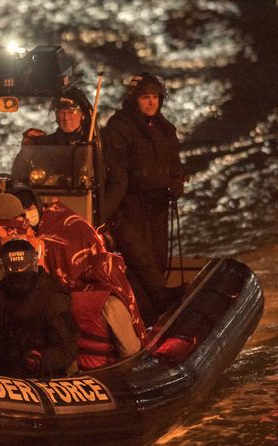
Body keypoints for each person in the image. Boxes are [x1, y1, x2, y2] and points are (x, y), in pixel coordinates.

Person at [101, 72, 187, 323]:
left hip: (158, 204)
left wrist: (177, 180)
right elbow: (117, 176)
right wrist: (107, 214)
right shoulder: (119, 128)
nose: (151, 103)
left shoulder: (163, 128)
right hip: (130, 205)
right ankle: (154, 306)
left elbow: (174, 162)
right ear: (134, 100)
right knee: (140, 259)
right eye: (145, 98)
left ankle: (156, 310)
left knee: (158, 256)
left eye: (155, 98)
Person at [0, 239, 80, 378]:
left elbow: (68, 347)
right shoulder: (2, 291)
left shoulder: (53, 295)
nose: (19, 273)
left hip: (42, 379)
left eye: (22, 267)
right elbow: (2, 330)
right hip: (7, 375)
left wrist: (41, 360)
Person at [9, 185, 105, 290]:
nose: (27, 214)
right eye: (23, 211)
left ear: (38, 204)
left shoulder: (56, 218)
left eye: (31, 208)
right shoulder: (32, 232)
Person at [70, 252, 146, 370]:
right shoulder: (111, 303)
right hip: (106, 372)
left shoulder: (73, 296)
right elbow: (130, 350)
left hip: (77, 372)